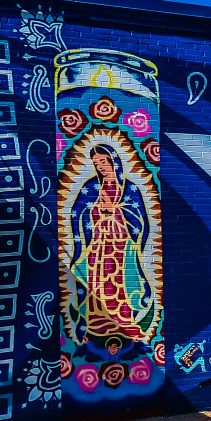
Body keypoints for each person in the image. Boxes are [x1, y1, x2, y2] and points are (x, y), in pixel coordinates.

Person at [68, 142, 155, 344]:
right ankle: (97, 323)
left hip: (122, 246)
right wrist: (96, 210)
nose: (100, 166)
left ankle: (125, 320)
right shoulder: (91, 187)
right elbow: (78, 214)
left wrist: (116, 210)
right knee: (98, 284)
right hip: (98, 246)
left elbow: (140, 218)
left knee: (122, 284)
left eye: (103, 161)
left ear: (113, 161)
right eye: (96, 162)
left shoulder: (129, 188)